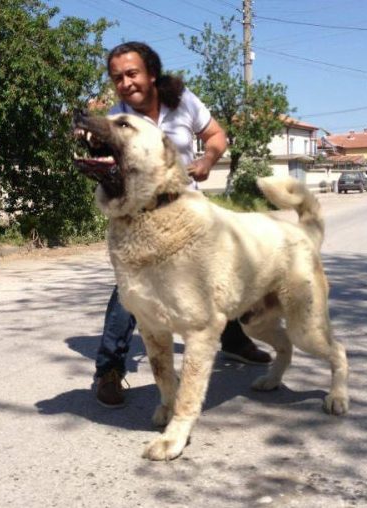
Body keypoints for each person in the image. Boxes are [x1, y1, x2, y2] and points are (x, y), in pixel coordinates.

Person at [92, 42, 272, 408]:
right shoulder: (117, 119)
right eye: (117, 78)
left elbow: (217, 136)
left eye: (132, 74)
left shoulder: (184, 102)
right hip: (141, 217)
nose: (125, 83)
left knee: (219, 274)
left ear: (151, 74)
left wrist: (207, 160)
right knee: (131, 288)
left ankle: (234, 341)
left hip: (186, 208)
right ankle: (109, 369)